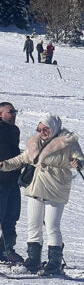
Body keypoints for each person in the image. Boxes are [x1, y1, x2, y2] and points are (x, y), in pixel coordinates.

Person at [0, 114, 84, 276]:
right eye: (39, 129)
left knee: (52, 226)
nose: (42, 132)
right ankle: (33, 260)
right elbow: (21, 159)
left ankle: (54, 262)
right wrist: (4, 165)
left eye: (45, 129)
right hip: (36, 187)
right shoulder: (35, 143)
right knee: (33, 225)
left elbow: (82, 160)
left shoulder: (68, 142)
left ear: (53, 127)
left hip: (56, 188)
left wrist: (78, 163)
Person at [0, 103, 23, 264]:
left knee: (11, 216)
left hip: (13, 180)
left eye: (15, 111)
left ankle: (7, 250)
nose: (14, 114)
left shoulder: (15, 131)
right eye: (10, 111)